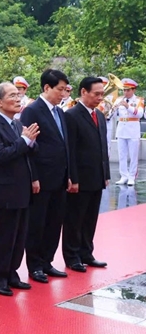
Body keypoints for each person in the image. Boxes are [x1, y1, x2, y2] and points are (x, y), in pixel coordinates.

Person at [0, 83, 40, 296]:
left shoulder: (17, 124)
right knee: (3, 238)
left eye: (18, 95)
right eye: (13, 96)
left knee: (19, 236)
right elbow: (0, 156)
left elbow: (27, 152)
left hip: (21, 190)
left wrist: (30, 142)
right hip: (4, 192)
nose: (18, 99)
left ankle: (12, 273)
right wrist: (25, 141)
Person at [20, 69, 71, 284]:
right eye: (60, 89)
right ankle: (35, 265)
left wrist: (69, 174)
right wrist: (34, 176)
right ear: (47, 88)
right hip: (42, 178)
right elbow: (30, 147)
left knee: (55, 222)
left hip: (59, 177)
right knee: (37, 223)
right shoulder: (32, 111)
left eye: (66, 90)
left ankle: (47, 261)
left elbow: (64, 145)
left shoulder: (59, 112)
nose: (63, 94)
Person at [63, 77, 110, 272]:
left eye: (102, 94)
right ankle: (72, 256)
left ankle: (86, 252)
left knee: (90, 218)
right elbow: (70, 150)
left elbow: (102, 147)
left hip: (96, 176)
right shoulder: (72, 115)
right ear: (83, 92)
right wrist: (72, 178)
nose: (100, 97)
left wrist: (105, 173)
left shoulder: (99, 116)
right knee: (75, 218)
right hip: (80, 178)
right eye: (96, 94)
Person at [112, 78, 143, 186]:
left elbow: (139, 114)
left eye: (128, 90)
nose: (125, 92)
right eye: (124, 90)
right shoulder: (119, 99)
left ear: (133, 90)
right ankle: (123, 176)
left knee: (133, 155)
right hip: (121, 129)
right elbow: (112, 115)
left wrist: (127, 106)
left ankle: (132, 176)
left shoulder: (139, 100)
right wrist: (112, 108)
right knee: (122, 155)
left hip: (133, 130)